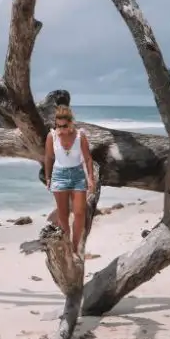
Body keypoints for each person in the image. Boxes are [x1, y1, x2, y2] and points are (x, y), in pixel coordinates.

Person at [44, 105, 95, 254]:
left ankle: (74, 246)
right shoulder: (51, 136)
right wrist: (47, 177)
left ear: (71, 122)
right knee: (63, 215)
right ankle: (67, 245)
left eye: (64, 126)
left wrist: (90, 178)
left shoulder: (80, 136)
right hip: (59, 176)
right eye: (58, 126)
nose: (61, 129)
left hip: (78, 175)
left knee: (79, 213)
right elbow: (48, 157)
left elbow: (88, 158)